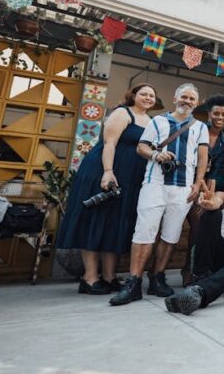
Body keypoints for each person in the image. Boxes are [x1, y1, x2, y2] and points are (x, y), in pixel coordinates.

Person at [110, 83, 209, 306]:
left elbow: (203, 157)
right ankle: (134, 281)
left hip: (183, 188)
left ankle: (158, 276)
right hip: (154, 183)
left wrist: (198, 183)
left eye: (192, 99)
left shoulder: (200, 127)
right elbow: (141, 147)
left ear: (196, 103)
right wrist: (156, 156)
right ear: (175, 98)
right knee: (144, 232)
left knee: (171, 235)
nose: (188, 102)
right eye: (184, 97)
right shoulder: (158, 121)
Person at [57, 83, 156, 295]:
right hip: (103, 172)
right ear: (134, 95)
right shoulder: (122, 113)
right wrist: (108, 171)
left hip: (130, 180)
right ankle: (90, 277)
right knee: (96, 220)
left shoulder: (151, 121)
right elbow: (109, 143)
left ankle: (110, 276)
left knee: (115, 223)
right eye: (144, 94)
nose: (148, 98)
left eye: (152, 96)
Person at [164, 165, 224, 315]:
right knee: (212, 214)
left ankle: (199, 291)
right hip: (212, 249)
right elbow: (215, 201)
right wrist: (210, 204)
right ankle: (201, 275)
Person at [182, 94, 224, 286]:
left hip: (202, 187)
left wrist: (206, 197)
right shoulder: (195, 130)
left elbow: (216, 172)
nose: (220, 117)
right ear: (209, 115)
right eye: (216, 113)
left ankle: (189, 270)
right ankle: (156, 273)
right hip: (183, 182)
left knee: (197, 231)